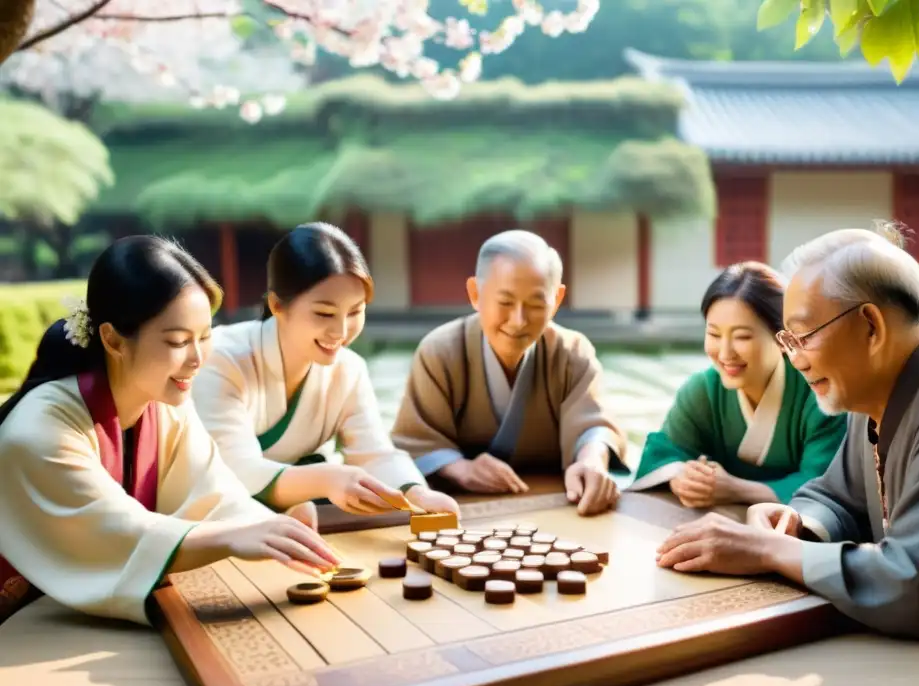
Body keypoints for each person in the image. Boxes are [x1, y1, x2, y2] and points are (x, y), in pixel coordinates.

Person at [654, 224, 919, 668]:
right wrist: (799, 523)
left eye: (803, 336)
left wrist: (767, 550)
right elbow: (837, 497)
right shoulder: (874, 401)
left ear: (870, 327)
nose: (795, 358)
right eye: (787, 341)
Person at [0, 236, 340, 627]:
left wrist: (269, 525)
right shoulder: (39, 431)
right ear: (112, 339)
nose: (197, 359)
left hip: (62, 615)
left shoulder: (163, 403)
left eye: (206, 336)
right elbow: (114, 531)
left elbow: (214, 497)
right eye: (178, 341)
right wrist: (234, 537)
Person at [192, 222, 459, 519]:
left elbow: (373, 453)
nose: (341, 331)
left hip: (294, 511)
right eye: (324, 313)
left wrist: (416, 493)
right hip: (214, 514)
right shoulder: (220, 357)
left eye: (356, 311)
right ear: (278, 305)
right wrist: (327, 479)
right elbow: (235, 468)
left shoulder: (349, 369)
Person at [390, 229, 629, 515]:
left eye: (536, 304)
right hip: (463, 510)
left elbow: (594, 427)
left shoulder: (571, 352)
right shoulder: (440, 350)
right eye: (505, 302)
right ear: (475, 294)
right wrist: (460, 469)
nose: (518, 321)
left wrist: (592, 460)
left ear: (557, 300)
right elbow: (412, 442)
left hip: (556, 505)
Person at [631, 262, 846, 506]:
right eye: (713, 334)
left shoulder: (816, 393)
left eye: (742, 336)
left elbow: (824, 485)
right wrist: (680, 476)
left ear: (782, 337)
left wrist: (736, 490)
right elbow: (663, 454)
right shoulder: (703, 390)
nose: (725, 353)